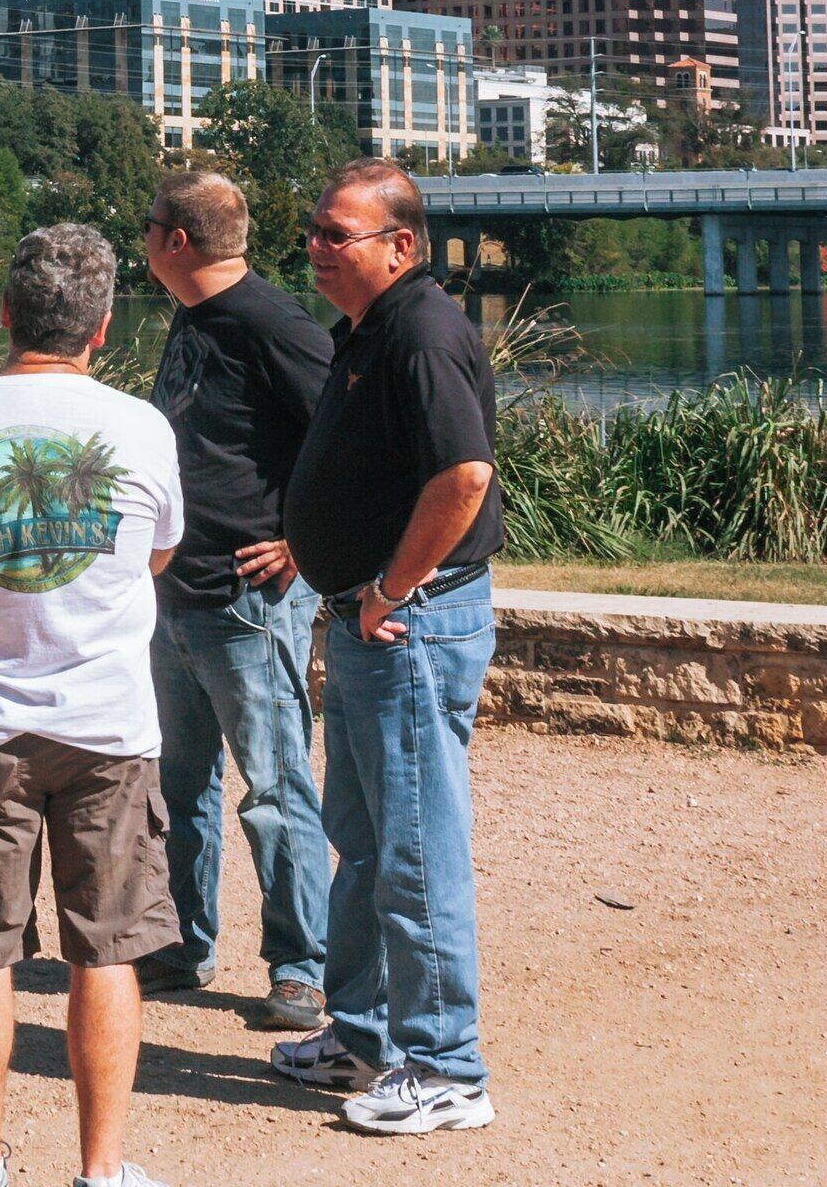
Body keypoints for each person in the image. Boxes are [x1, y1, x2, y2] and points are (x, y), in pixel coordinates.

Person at [0, 223, 191, 1187]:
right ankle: (101, 1172)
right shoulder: (143, 428)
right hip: (109, 726)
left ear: (4, 312)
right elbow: (158, 552)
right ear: (103, 326)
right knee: (105, 951)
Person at [265, 158, 505, 1137]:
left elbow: (465, 475)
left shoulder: (424, 330)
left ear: (399, 244)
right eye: (314, 231)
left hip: (410, 625)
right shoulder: (369, 327)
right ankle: (360, 1032)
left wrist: (388, 588)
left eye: (337, 234)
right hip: (374, 623)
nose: (317, 248)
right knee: (362, 841)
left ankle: (446, 1065)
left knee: (413, 850)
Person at [131, 169, 333, 1034]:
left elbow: (350, 442)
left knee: (275, 787)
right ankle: (184, 942)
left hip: (249, 602)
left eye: (149, 226)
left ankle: (300, 967)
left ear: (178, 240)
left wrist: (303, 543)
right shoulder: (195, 313)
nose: (142, 239)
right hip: (176, 592)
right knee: (181, 784)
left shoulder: (273, 322)